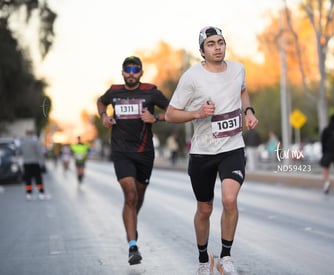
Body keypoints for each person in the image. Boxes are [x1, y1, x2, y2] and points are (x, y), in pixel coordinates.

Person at [165, 26, 259, 275]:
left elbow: (242, 89)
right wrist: (196, 113)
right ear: (202, 51)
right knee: (204, 208)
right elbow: (170, 114)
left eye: (221, 42)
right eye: (211, 44)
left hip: (232, 147)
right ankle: (202, 260)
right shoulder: (192, 77)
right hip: (203, 152)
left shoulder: (238, 69)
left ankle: (226, 256)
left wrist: (248, 112)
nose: (217, 47)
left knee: (229, 199)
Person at [96, 56, 169, 265]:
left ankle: (131, 220)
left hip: (144, 153)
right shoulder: (114, 91)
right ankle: (132, 246)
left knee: (137, 197)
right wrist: (103, 116)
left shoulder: (151, 91)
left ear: (141, 73)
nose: (131, 73)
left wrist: (156, 118)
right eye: (127, 69)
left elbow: (172, 111)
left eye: (135, 69)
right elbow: (101, 101)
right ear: (122, 72)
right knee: (130, 194)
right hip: (121, 152)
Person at [19, 129, 49, 200]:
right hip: (35, 163)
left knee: (28, 179)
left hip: (26, 163)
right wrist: (42, 162)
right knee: (38, 179)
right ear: (32, 133)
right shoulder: (35, 141)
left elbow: (20, 152)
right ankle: (41, 193)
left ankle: (28, 194)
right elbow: (39, 153)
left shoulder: (22, 142)